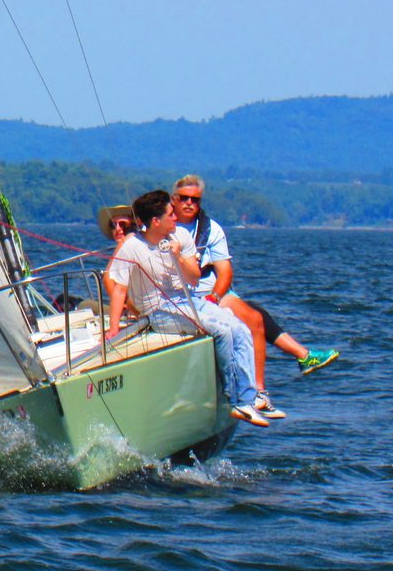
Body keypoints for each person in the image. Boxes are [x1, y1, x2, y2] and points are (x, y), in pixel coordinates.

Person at [170, 176, 339, 416]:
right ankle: (303, 355)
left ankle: (259, 392)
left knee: (256, 319)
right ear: (173, 200)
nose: (189, 203)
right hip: (179, 292)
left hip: (211, 290)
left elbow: (225, 271)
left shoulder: (210, 229)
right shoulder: (164, 225)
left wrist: (216, 296)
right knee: (259, 316)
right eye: (183, 198)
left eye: (194, 200)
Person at [105, 189, 268, 427]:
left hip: (188, 299)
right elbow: (119, 289)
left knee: (239, 328)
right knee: (221, 331)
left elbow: (193, 279)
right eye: (170, 214)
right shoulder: (132, 246)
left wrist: (178, 257)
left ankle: (248, 398)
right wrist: (113, 328)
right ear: (155, 221)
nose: (176, 218)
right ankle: (234, 400)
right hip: (158, 311)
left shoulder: (179, 236)